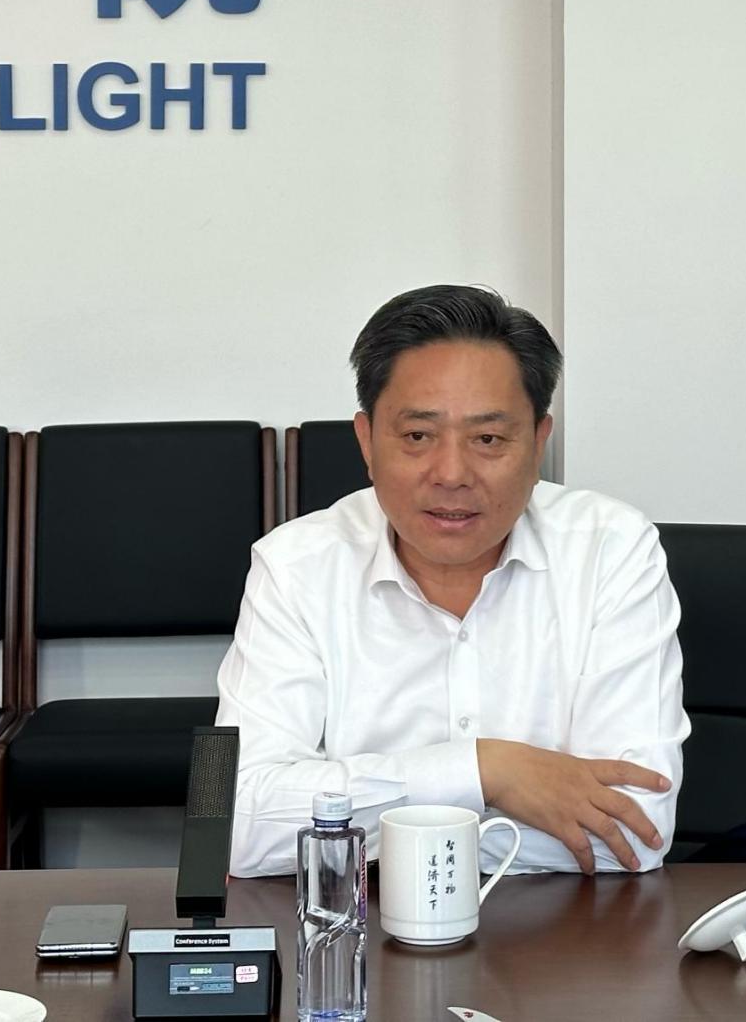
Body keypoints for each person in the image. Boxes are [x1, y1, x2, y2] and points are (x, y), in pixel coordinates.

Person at [216, 284, 690, 876]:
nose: (451, 474)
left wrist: (374, 823)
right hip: (364, 930)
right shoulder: (293, 566)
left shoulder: (613, 551)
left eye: (488, 439)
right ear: (366, 442)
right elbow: (232, 827)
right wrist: (487, 772)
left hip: (565, 927)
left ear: (538, 443)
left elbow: (632, 831)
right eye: (418, 436)